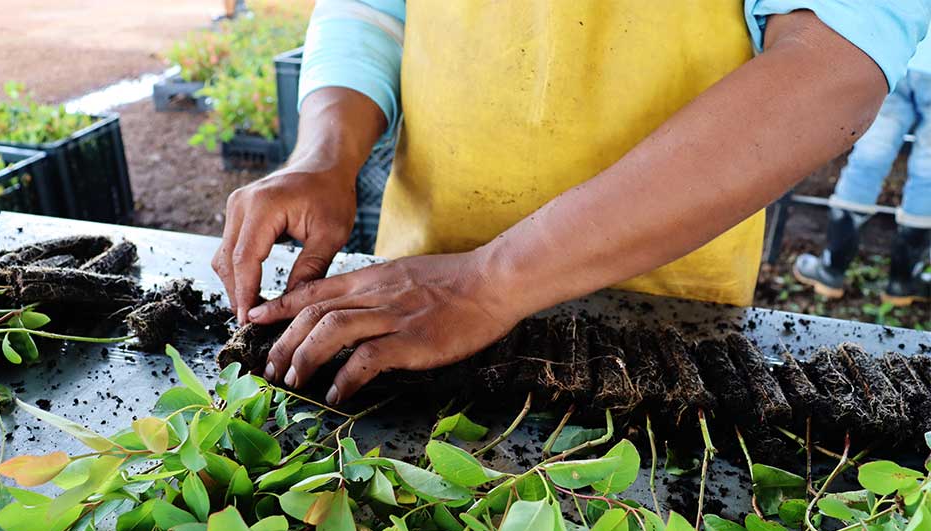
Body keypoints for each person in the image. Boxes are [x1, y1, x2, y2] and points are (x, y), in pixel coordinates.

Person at [213, 1, 930, 405]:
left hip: (650, 336)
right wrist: (326, 155)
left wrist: (493, 278)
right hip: (406, 310)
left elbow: (833, 64)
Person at [794, 37, 931, 306]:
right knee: (928, 172)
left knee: (868, 158)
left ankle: (831, 269)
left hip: (900, 53)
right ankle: (902, 281)